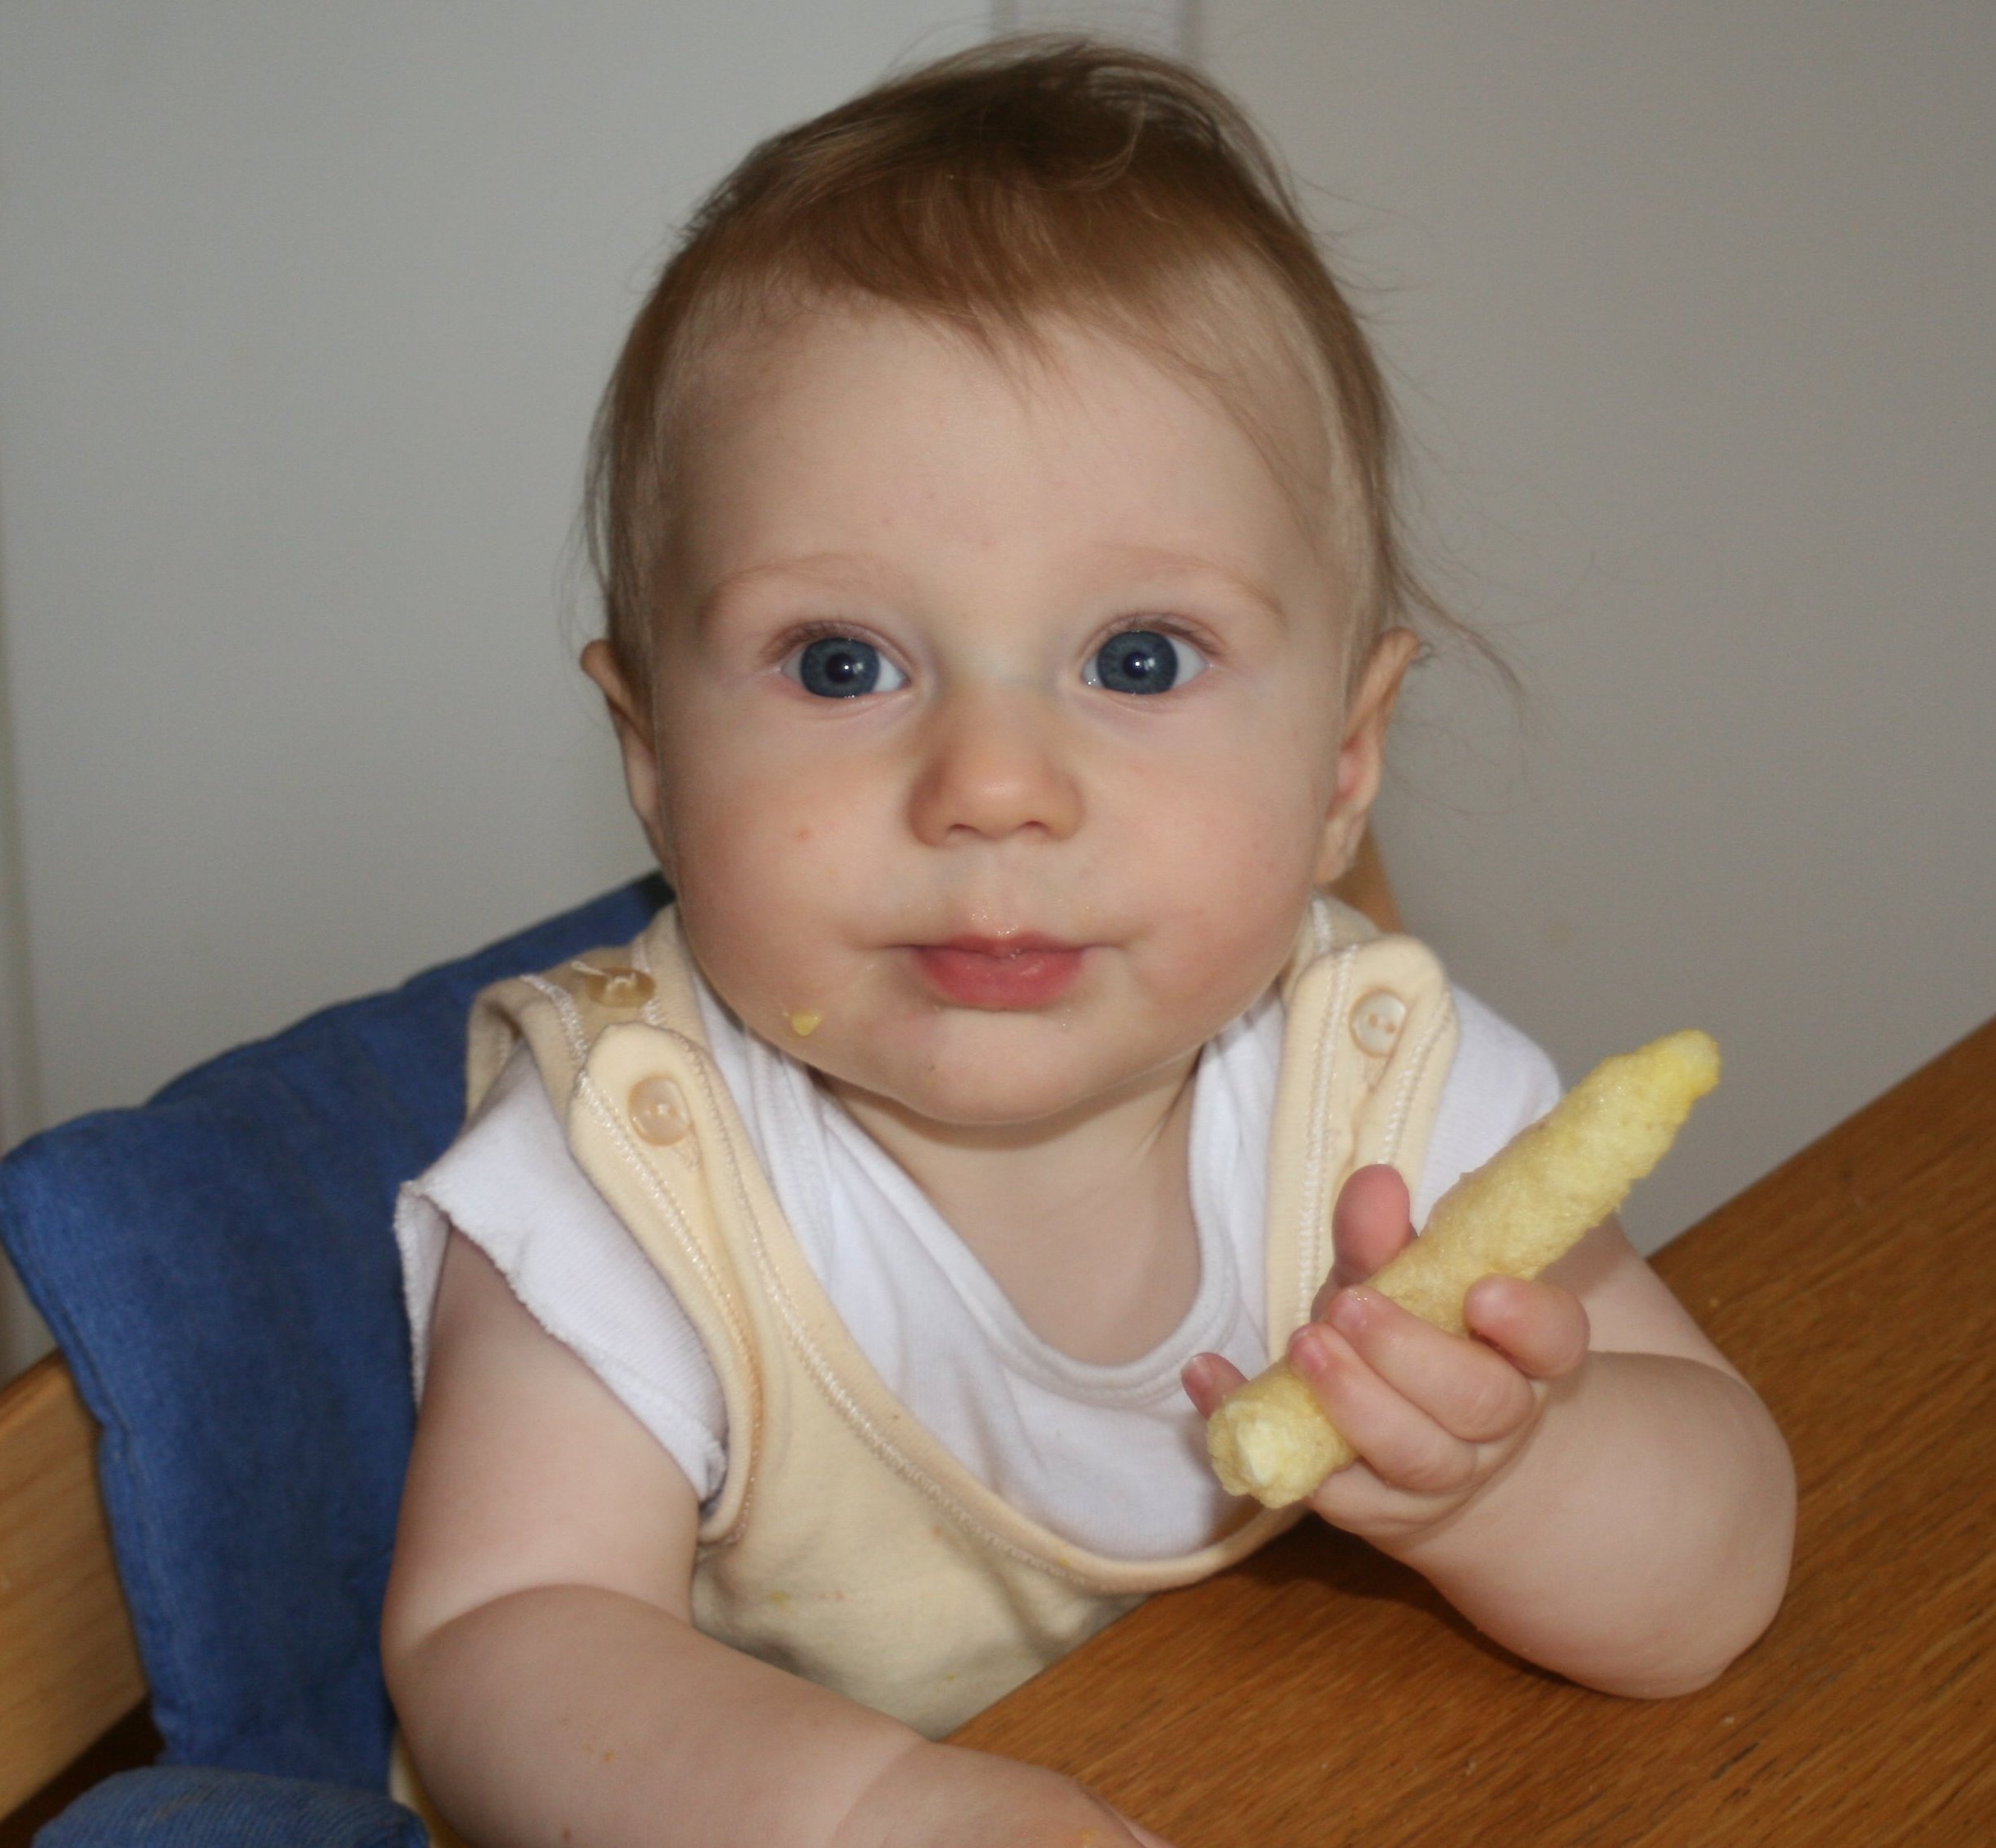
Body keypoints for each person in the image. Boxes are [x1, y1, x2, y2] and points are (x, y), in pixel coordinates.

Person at [379, 39, 1794, 1848]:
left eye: (1137, 659)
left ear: (1344, 767)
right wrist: (883, 1813)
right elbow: (505, 1640)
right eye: (842, 663)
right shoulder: (630, 1170)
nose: (991, 787)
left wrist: (1501, 1477)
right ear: (650, 752)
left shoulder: (1377, 1100)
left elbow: (1722, 1574)